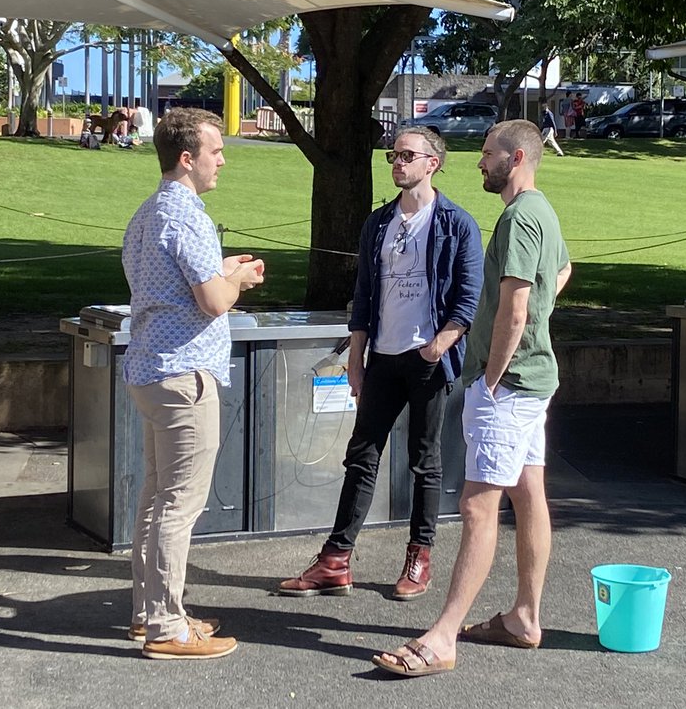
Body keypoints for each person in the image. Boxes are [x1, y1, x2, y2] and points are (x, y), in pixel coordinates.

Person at [372, 119, 572, 677]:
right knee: (529, 493)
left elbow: (516, 305)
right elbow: (563, 271)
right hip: (533, 381)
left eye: (488, 153)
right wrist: (530, 331)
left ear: (516, 158)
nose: (480, 162)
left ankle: (442, 637)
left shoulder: (521, 216)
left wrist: (490, 374)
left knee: (478, 506)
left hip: (508, 387)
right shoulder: (543, 213)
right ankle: (524, 618)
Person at [279, 127, 482, 601]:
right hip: (383, 359)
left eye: (407, 155)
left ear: (432, 163)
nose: (397, 161)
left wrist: (438, 346)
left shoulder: (456, 223)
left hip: (428, 362)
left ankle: (419, 555)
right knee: (361, 456)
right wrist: (356, 357)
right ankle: (335, 560)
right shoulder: (378, 224)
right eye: (393, 154)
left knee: (424, 462)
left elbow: (468, 298)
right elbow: (364, 296)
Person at [123, 107, 265, 660]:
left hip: (153, 369)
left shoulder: (149, 211)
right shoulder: (186, 215)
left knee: (158, 497)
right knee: (178, 503)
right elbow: (211, 301)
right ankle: (164, 625)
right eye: (216, 151)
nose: (222, 161)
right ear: (188, 158)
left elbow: (167, 283)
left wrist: (221, 269)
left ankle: (152, 611)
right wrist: (239, 280)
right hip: (184, 376)